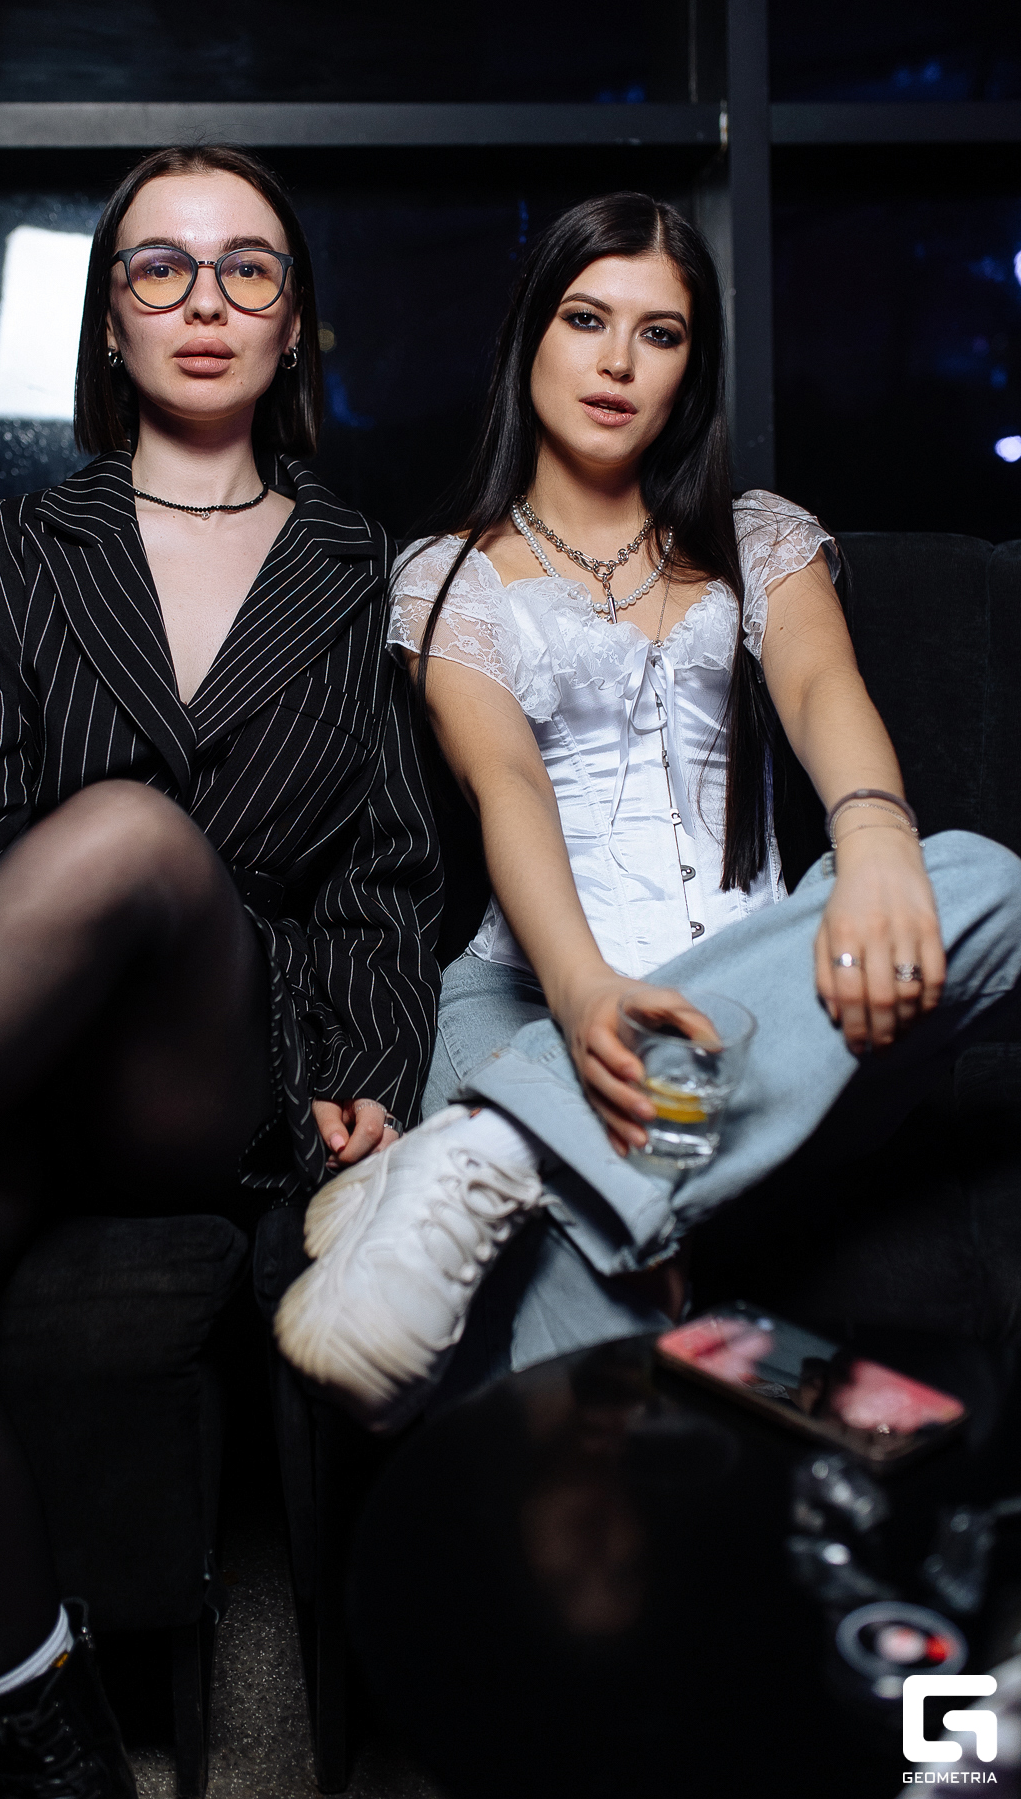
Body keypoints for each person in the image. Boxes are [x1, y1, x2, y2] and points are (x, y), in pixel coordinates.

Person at [0, 145, 441, 1796]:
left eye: (248, 268)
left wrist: (370, 1070)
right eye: (159, 268)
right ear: (108, 319)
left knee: (131, 833)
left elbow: (390, 876)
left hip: (201, 1074)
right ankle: (48, 1741)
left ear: (293, 321)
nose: (205, 302)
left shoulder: (369, 575)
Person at [275, 191, 1021, 1431]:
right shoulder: (444, 573)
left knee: (989, 884)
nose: (617, 361)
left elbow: (820, 686)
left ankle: (498, 1150)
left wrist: (875, 841)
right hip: (530, 1003)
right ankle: (780, 1381)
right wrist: (582, 999)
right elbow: (506, 782)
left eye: (658, 333)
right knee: (565, 1374)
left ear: (690, 369)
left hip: (763, 1015)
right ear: (529, 338)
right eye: (585, 319)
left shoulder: (758, 538)